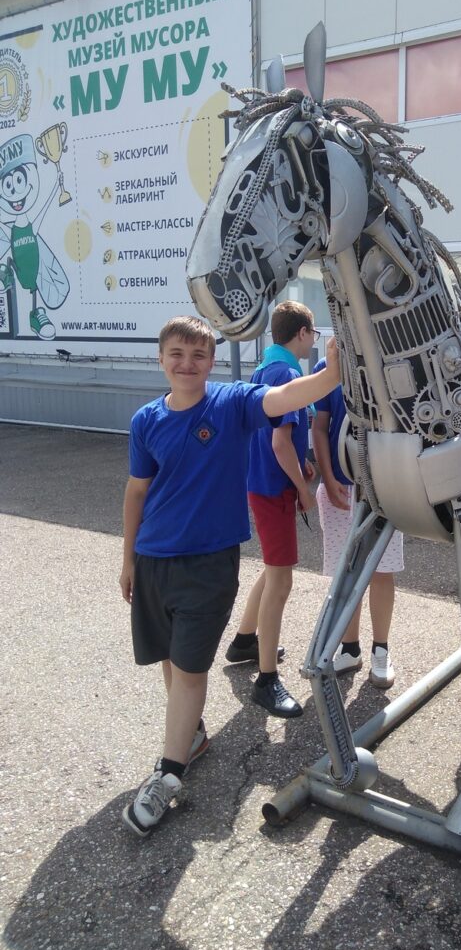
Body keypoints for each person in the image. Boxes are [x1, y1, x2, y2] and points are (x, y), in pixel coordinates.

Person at [119, 314, 340, 837]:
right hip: (153, 558)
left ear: (212, 362)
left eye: (198, 355)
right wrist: (128, 559)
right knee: (170, 658)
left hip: (209, 564)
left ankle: (168, 776)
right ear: (161, 359)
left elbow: (290, 399)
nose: (187, 364)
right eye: (176, 354)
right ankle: (190, 736)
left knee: (192, 669)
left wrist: (338, 368)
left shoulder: (234, 403)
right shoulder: (145, 420)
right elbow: (135, 493)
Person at [224, 301, 318, 719]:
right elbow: (281, 444)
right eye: (313, 333)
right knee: (281, 581)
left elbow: (280, 440)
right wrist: (303, 486)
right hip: (275, 488)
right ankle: (266, 679)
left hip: (262, 483)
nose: (314, 340)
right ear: (301, 333)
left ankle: (245, 640)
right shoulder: (288, 374)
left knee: (272, 567)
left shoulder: (266, 369)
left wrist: (303, 462)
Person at [311, 359, 404, 689]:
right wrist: (325, 473)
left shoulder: (394, 361)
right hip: (339, 486)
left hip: (385, 486)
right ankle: (350, 648)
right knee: (344, 572)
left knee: (381, 570)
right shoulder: (329, 365)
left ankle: (381, 649)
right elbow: (320, 426)